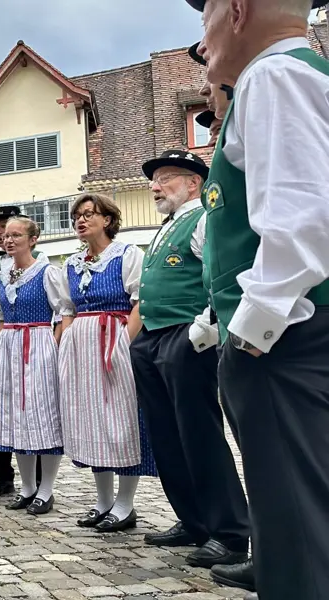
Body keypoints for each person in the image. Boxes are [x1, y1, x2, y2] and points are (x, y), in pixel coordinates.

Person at [193, 1, 329, 598]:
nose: (205, 34)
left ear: (238, 9)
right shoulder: (299, 72)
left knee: (298, 532)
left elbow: (303, 218)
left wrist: (250, 333)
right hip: (297, 333)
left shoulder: (274, 75)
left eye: (208, 13)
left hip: (288, 342)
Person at [133, 150, 250, 567]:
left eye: (164, 178)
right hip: (154, 339)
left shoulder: (201, 217)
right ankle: (194, 521)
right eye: (154, 180)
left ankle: (231, 532)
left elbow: (219, 275)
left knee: (199, 434)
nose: (154, 186)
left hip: (185, 338)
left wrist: (201, 332)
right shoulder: (167, 226)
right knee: (167, 436)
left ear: (192, 183)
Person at [191, 38, 256, 596]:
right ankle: (261, 544)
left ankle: (258, 544)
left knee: (276, 450)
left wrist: (257, 322)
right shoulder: (234, 133)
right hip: (235, 321)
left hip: (274, 324)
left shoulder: (278, 83)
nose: (211, 115)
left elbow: (300, 218)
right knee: (255, 448)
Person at [58, 194, 156, 531]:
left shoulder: (127, 255)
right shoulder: (71, 263)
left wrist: (123, 344)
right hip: (83, 347)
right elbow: (68, 309)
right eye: (77, 217)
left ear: (108, 220)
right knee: (91, 420)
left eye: (88, 214)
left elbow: (140, 303)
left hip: (115, 340)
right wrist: (65, 345)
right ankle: (102, 501)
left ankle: (126, 505)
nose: (81, 221)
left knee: (121, 419)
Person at [0, 216, 70, 514]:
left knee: (42, 415)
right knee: (15, 417)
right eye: (6, 236)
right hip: (8, 347)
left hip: (38, 345)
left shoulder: (47, 272)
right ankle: (26, 487)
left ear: (33, 239)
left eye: (16, 235)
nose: (9, 240)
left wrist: (54, 348)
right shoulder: (1, 277)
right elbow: (1, 318)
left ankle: (46, 489)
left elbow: (63, 314)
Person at [0, 206, 48, 497]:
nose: (0, 233)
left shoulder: (40, 263)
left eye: (5, 227)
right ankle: (2, 473)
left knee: (32, 406)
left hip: (29, 341)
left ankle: (41, 475)